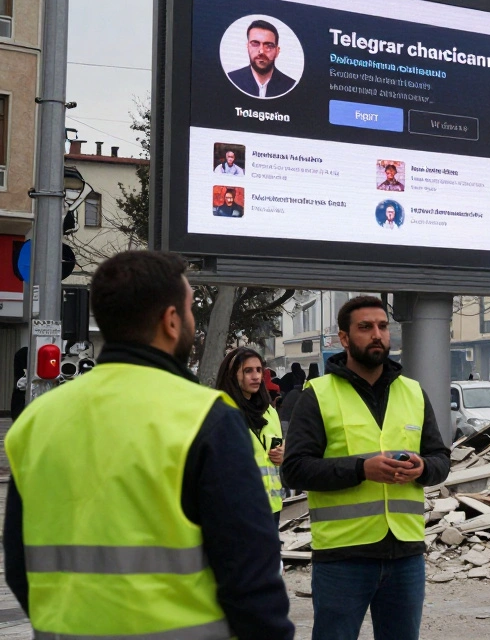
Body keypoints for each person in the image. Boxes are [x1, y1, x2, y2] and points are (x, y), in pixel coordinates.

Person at [3, 250, 292, 638]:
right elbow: (251, 575)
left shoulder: (37, 420)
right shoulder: (206, 417)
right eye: (189, 310)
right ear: (171, 321)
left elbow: (18, 565)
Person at [282, 295, 450, 640]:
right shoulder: (318, 395)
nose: (377, 334)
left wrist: (422, 468)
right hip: (343, 557)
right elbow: (295, 469)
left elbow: (441, 459)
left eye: (383, 326)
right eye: (366, 327)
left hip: (405, 554)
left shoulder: (413, 392)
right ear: (344, 338)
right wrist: (361, 469)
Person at [216, 347, 286, 522]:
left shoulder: (269, 412)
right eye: (248, 371)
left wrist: (284, 453)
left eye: (259, 370)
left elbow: (276, 449)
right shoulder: (221, 413)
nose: (256, 376)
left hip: (272, 508)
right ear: (232, 375)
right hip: (238, 510)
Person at [228, 19, 297, 98]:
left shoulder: (290, 85)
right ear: (247, 47)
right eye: (255, 44)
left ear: (277, 51)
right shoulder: (232, 79)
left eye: (269, 46)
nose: (261, 51)